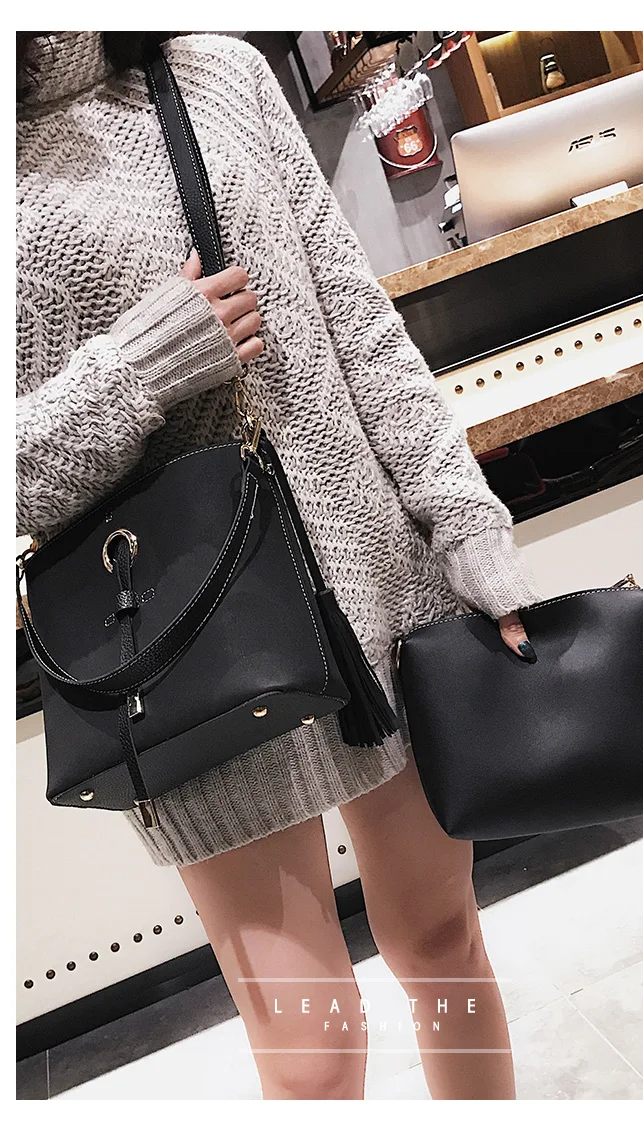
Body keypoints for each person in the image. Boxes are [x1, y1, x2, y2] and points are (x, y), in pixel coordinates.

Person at [17, 31, 544, 1100]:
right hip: (186, 650)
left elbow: (358, 321)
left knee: (445, 942)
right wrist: (134, 372)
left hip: (379, 593)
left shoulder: (218, 70)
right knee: (314, 1054)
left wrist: (464, 516)